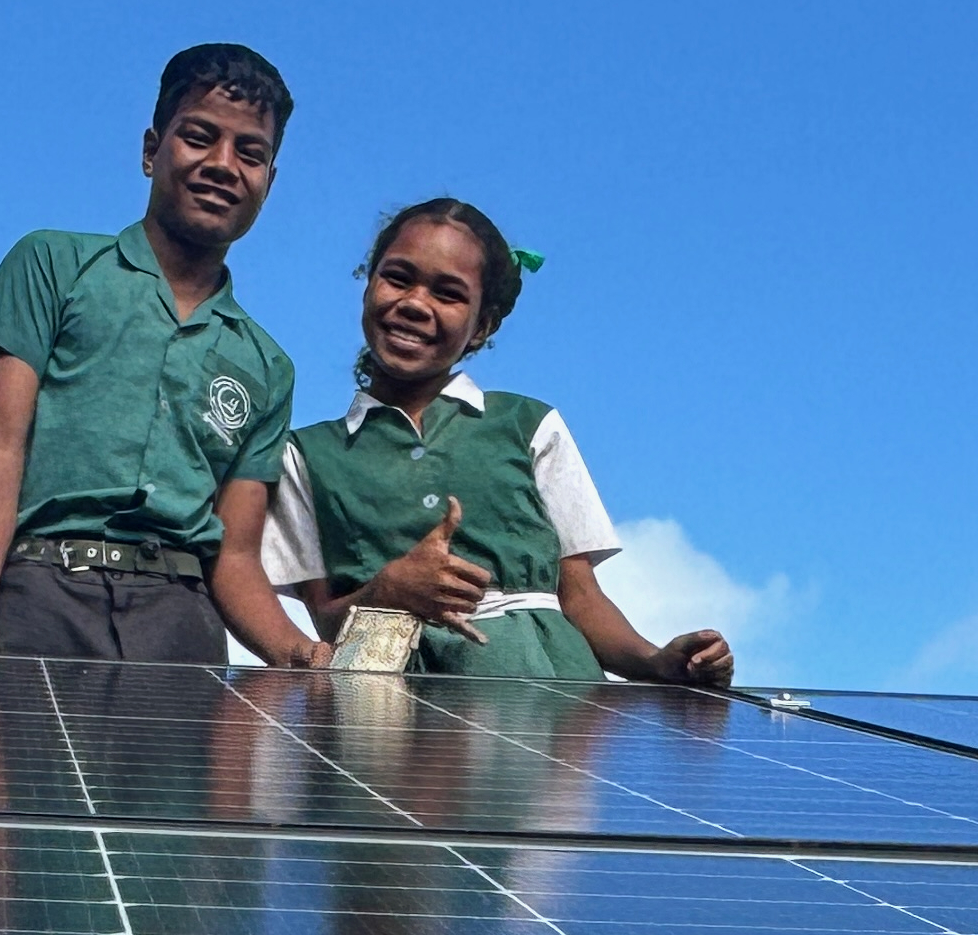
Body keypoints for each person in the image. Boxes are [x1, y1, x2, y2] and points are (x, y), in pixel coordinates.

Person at [0, 45, 325, 667]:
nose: (223, 164)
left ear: (269, 181)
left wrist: (299, 650)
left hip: (182, 621)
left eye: (251, 153)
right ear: (150, 150)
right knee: (21, 767)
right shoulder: (53, 264)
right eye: (198, 137)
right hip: (39, 591)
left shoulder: (268, 365)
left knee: (162, 767)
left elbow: (235, 556)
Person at [258, 198, 733, 685]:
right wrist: (389, 589)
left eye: (449, 294)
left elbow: (581, 597)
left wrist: (657, 662)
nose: (416, 303)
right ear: (368, 283)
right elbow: (325, 618)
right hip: (392, 711)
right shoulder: (305, 455)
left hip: (549, 697)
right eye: (398, 277)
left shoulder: (528, 425)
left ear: (482, 326)